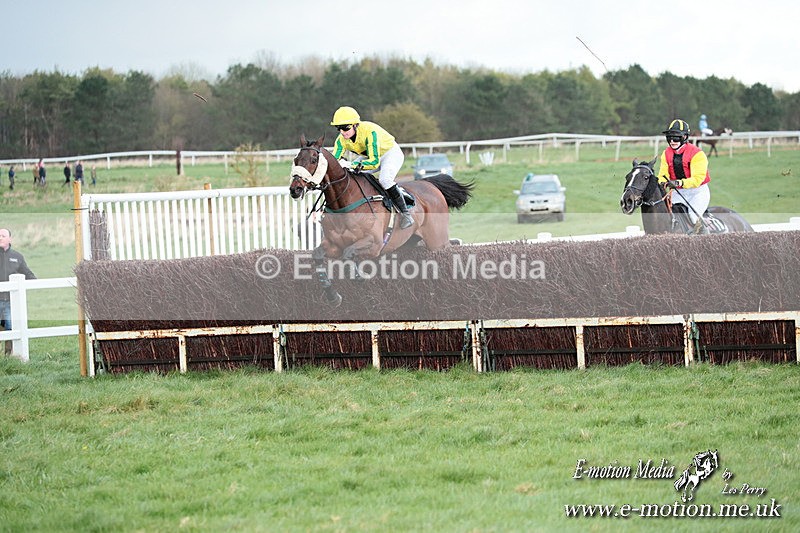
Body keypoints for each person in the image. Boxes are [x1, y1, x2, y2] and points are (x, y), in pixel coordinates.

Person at [329, 106, 414, 229]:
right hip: (370, 156)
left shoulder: (369, 132)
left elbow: (374, 162)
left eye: (345, 128)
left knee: (384, 180)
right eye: (339, 128)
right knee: (350, 174)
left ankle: (406, 214)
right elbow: (334, 160)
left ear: (355, 125)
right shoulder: (341, 140)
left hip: (390, 153)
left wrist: (351, 164)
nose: (342, 132)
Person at [657, 119, 711, 234]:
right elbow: (662, 174)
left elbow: (697, 179)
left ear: (685, 137)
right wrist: (662, 182)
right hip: (677, 192)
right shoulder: (666, 153)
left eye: (676, 137)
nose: (672, 141)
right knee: (669, 216)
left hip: (697, 192)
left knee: (693, 217)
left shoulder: (697, 154)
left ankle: (706, 238)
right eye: (669, 137)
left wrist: (678, 183)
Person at [0, 228, 36, 355]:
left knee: (11, 328)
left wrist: (34, 283)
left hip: (10, 302)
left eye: (3, 235)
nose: (0, 238)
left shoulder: (17, 257)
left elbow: (29, 275)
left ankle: (9, 356)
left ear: (10, 239)